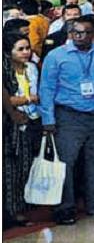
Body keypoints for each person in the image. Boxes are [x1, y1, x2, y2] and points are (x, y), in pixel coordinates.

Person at [3, 33, 43, 228]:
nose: (26, 52)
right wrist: (26, 99)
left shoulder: (32, 68)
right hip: (10, 125)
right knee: (9, 168)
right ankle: (11, 212)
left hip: (31, 121)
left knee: (25, 166)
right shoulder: (6, 70)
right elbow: (7, 98)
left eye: (27, 48)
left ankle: (20, 207)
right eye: (21, 49)